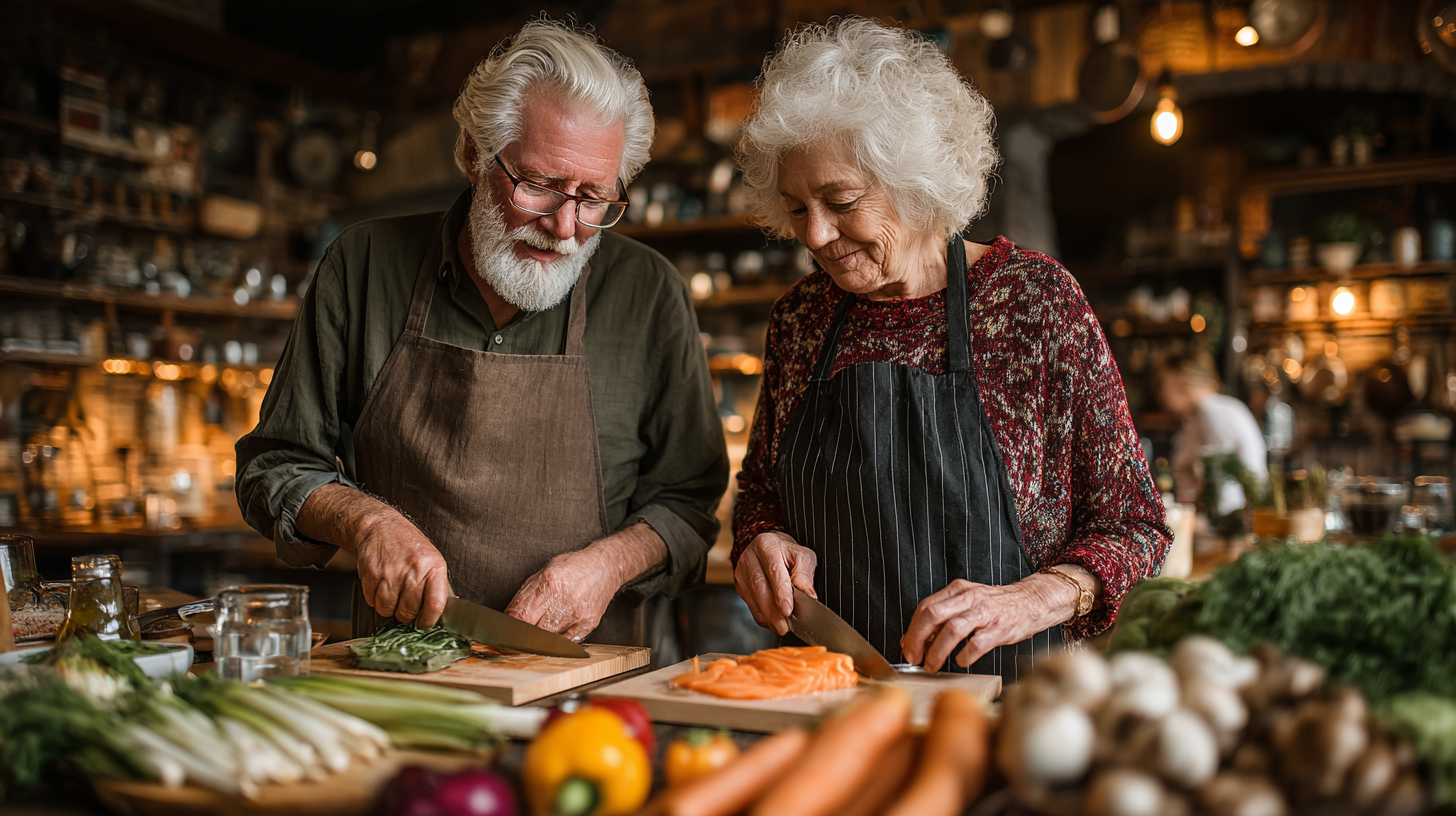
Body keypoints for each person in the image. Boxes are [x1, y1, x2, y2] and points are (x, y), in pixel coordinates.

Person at [235, 20, 727, 658]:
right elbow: (273, 467)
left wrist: (609, 564)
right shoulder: (361, 265)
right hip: (402, 681)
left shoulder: (649, 294)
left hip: (586, 691)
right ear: (472, 153)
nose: (566, 227)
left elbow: (688, 504)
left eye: (594, 196)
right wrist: (367, 522)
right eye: (539, 185)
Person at [730, 18, 1170, 682]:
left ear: (916, 181)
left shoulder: (1035, 303)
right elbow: (761, 489)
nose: (816, 235)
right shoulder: (801, 319)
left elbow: (1137, 525)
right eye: (795, 209)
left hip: (1014, 709)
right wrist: (761, 540)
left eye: (840, 200)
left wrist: (1038, 597)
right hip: (835, 702)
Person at [1157, 350, 1268, 516]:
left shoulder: (1212, 412)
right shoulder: (1199, 416)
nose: (1161, 394)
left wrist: (1206, 523)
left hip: (1222, 525)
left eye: (1162, 384)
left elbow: (1221, 482)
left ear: (1182, 380)